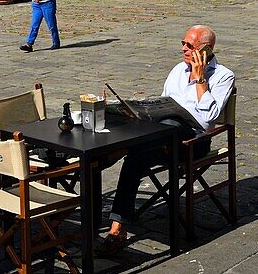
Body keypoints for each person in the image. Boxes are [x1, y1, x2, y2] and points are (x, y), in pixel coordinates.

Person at [99, 24, 234, 253]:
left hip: (192, 143)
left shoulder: (223, 76)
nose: (183, 49)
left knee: (166, 128)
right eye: (183, 43)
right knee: (136, 153)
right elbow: (161, 104)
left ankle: (114, 151)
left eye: (189, 46)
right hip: (160, 139)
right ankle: (117, 227)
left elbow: (210, 117)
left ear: (207, 51)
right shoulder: (177, 71)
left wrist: (201, 80)